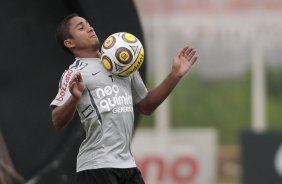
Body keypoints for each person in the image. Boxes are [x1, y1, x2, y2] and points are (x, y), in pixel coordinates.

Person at [50, 13, 197, 184]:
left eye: (88, 24)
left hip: (127, 165)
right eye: (81, 27)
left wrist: (175, 75)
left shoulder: (123, 63)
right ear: (70, 43)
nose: (90, 28)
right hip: (97, 166)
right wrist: (74, 98)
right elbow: (57, 121)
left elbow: (146, 105)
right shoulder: (73, 74)